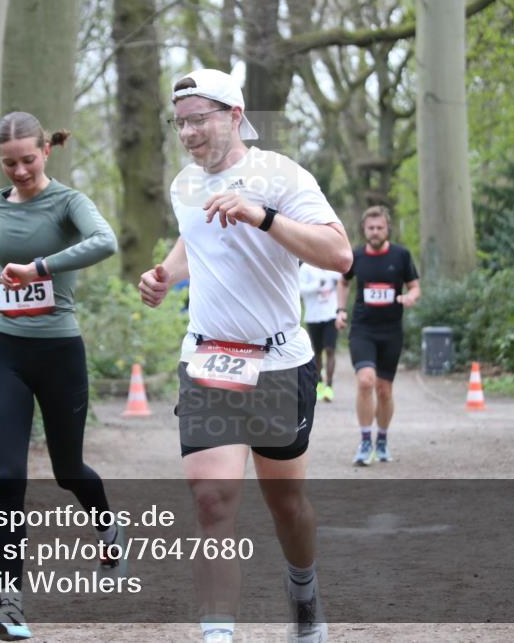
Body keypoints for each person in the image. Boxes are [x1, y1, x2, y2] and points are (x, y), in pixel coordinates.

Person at [138, 68, 352, 643]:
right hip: (209, 361)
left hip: (279, 363)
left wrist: (262, 215)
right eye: (180, 123)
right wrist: (165, 274)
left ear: (234, 116)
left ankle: (303, 590)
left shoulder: (279, 175)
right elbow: (194, 238)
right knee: (212, 501)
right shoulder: (186, 184)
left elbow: (339, 254)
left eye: (199, 120)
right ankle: (218, 635)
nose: (188, 134)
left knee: (288, 506)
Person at [0, 111, 122, 641]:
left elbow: (105, 241)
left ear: (46, 151)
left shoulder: (69, 202)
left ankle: (106, 525)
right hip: (8, 353)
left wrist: (42, 270)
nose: (20, 171)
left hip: (60, 354)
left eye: (28, 160)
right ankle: (10, 604)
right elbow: (8, 262)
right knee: (8, 477)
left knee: (68, 470)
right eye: (9, 163)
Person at [335, 206, 421, 465]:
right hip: (362, 329)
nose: (374, 232)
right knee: (365, 381)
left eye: (379, 228)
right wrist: (340, 309)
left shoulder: (401, 255)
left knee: (384, 390)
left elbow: (415, 286)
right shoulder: (356, 256)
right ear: (364, 229)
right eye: (370, 228)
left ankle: (382, 440)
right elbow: (344, 280)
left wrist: (410, 297)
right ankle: (364, 442)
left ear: (387, 228)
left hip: (391, 331)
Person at [299, 262, 342, 402]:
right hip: (314, 316)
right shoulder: (306, 268)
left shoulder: (333, 266)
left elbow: (344, 281)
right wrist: (318, 285)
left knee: (330, 350)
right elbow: (299, 290)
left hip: (331, 315)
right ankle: (320, 384)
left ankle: (329, 386)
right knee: (317, 353)